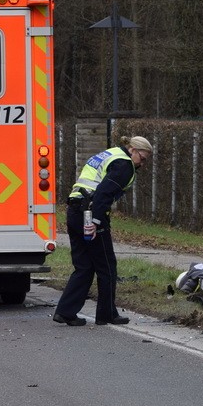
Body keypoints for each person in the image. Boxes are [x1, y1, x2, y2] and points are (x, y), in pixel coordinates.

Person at [53, 135, 153, 327]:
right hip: (91, 213)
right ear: (133, 150)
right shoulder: (124, 165)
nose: (143, 164)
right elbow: (103, 194)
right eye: (143, 158)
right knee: (107, 266)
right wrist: (96, 222)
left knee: (84, 266)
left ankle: (65, 312)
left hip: (74, 211)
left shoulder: (110, 153)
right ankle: (106, 314)